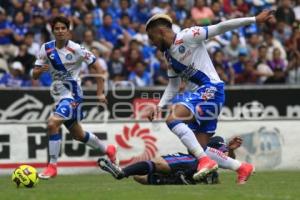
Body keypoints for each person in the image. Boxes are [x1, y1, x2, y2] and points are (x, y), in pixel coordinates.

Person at [144, 11, 274, 183]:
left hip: (210, 89)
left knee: (173, 119)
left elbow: (220, 27)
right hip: (207, 96)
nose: (152, 43)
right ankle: (242, 167)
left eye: (152, 38)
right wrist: (160, 106)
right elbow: (173, 86)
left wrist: (254, 19)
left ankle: (205, 162)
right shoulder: (168, 56)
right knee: (198, 149)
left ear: (160, 32)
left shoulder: (188, 36)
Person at [32, 16, 117, 179]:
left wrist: (100, 92)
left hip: (73, 95)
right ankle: (108, 150)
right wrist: (39, 70)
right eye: (57, 28)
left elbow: (97, 67)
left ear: (68, 30)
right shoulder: (46, 49)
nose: (60, 31)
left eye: (63, 28)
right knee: (79, 135)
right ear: (53, 31)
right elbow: (34, 75)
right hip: (57, 96)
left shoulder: (77, 49)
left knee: (52, 124)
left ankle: (52, 166)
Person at [99, 136, 243, 185]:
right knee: (139, 178)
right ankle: (176, 179)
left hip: (194, 162)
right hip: (191, 166)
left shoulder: (216, 140)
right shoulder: (195, 136)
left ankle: (122, 172)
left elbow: (228, 161)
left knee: (157, 164)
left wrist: (230, 149)